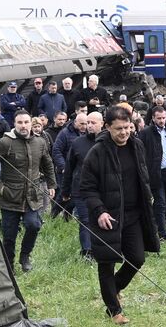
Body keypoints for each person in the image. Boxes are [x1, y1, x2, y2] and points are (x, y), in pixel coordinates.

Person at [80, 106, 159, 325]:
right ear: (107, 127)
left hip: (134, 214)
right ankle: (114, 311)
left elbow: (142, 177)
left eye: (127, 127)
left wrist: (148, 196)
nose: (124, 133)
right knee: (107, 261)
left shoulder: (137, 145)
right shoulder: (97, 152)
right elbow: (87, 187)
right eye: (119, 129)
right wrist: (100, 211)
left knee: (137, 258)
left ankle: (112, 291)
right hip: (108, 216)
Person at [0, 110, 56, 272]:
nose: (23, 126)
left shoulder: (40, 142)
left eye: (26, 122)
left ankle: (25, 256)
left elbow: (48, 163)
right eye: (20, 123)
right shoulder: (5, 142)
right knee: (9, 235)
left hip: (32, 195)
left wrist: (51, 184)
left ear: (32, 123)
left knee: (34, 225)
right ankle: (9, 264)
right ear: (14, 124)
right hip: (10, 195)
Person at [137, 106, 166, 242]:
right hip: (155, 173)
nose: (162, 121)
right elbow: (141, 153)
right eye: (159, 118)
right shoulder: (146, 133)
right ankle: (162, 234)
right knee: (160, 203)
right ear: (153, 118)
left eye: (164, 118)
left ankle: (156, 226)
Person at [63, 111, 104, 260]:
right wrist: (65, 190)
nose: (90, 126)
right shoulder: (78, 143)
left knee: (101, 219)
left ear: (102, 123)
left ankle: (101, 248)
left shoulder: (108, 142)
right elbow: (69, 168)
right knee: (85, 220)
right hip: (80, 189)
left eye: (93, 123)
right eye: (88, 123)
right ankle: (87, 251)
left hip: (103, 189)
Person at [51, 113, 87, 219]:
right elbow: (56, 150)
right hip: (66, 170)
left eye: (86, 123)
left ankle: (67, 216)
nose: (84, 126)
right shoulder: (65, 133)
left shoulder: (87, 134)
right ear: (75, 122)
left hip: (80, 170)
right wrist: (63, 167)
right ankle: (53, 215)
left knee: (75, 195)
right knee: (64, 194)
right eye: (81, 123)